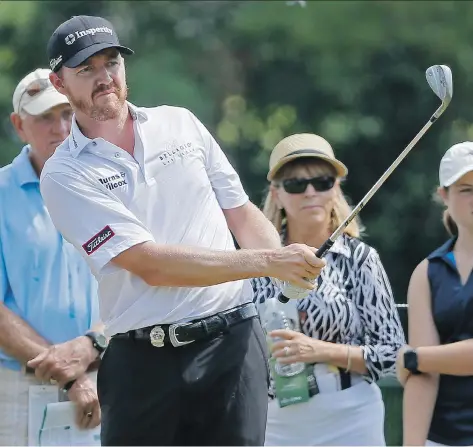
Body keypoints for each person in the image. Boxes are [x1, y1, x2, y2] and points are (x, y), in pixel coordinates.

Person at [38, 15, 326, 446]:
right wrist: (269, 262)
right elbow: (148, 263)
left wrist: (289, 268)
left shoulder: (181, 123)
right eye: (86, 70)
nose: (105, 78)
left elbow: (241, 212)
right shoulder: (63, 174)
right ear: (59, 84)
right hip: (142, 362)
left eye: (112, 62)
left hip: (233, 347)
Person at [251, 133, 406, 446]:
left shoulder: (362, 259)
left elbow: (392, 354)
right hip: (274, 423)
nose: (310, 192)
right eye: (295, 184)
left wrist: (319, 350)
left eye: (322, 182)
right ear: (276, 194)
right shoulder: (254, 262)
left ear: (335, 188)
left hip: (352, 416)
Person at [0, 68, 103, 445]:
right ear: (18, 125)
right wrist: (69, 373)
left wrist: (93, 345)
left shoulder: (106, 187)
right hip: (18, 387)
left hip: (101, 379)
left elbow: (131, 282)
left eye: (66, 115)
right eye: (45, 117)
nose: (60, 128)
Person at [401, 141, 473, 447]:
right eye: (466, 189)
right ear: (444, 195)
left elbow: (416, 361)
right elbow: (422, 376)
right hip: (443, 439)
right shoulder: (427, 272)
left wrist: (414, 357)